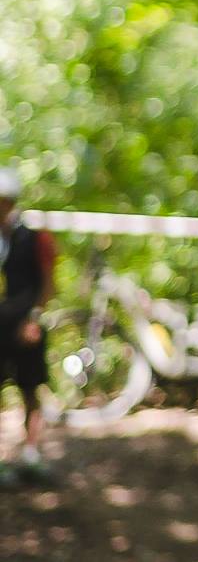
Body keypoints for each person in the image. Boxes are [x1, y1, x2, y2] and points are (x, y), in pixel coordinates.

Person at [0, 165, 57, 485]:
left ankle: (31, 455)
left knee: (30, 389)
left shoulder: (35, 239)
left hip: (26, 326)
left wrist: (34, 318)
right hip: (0, 327)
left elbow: (48, 283)